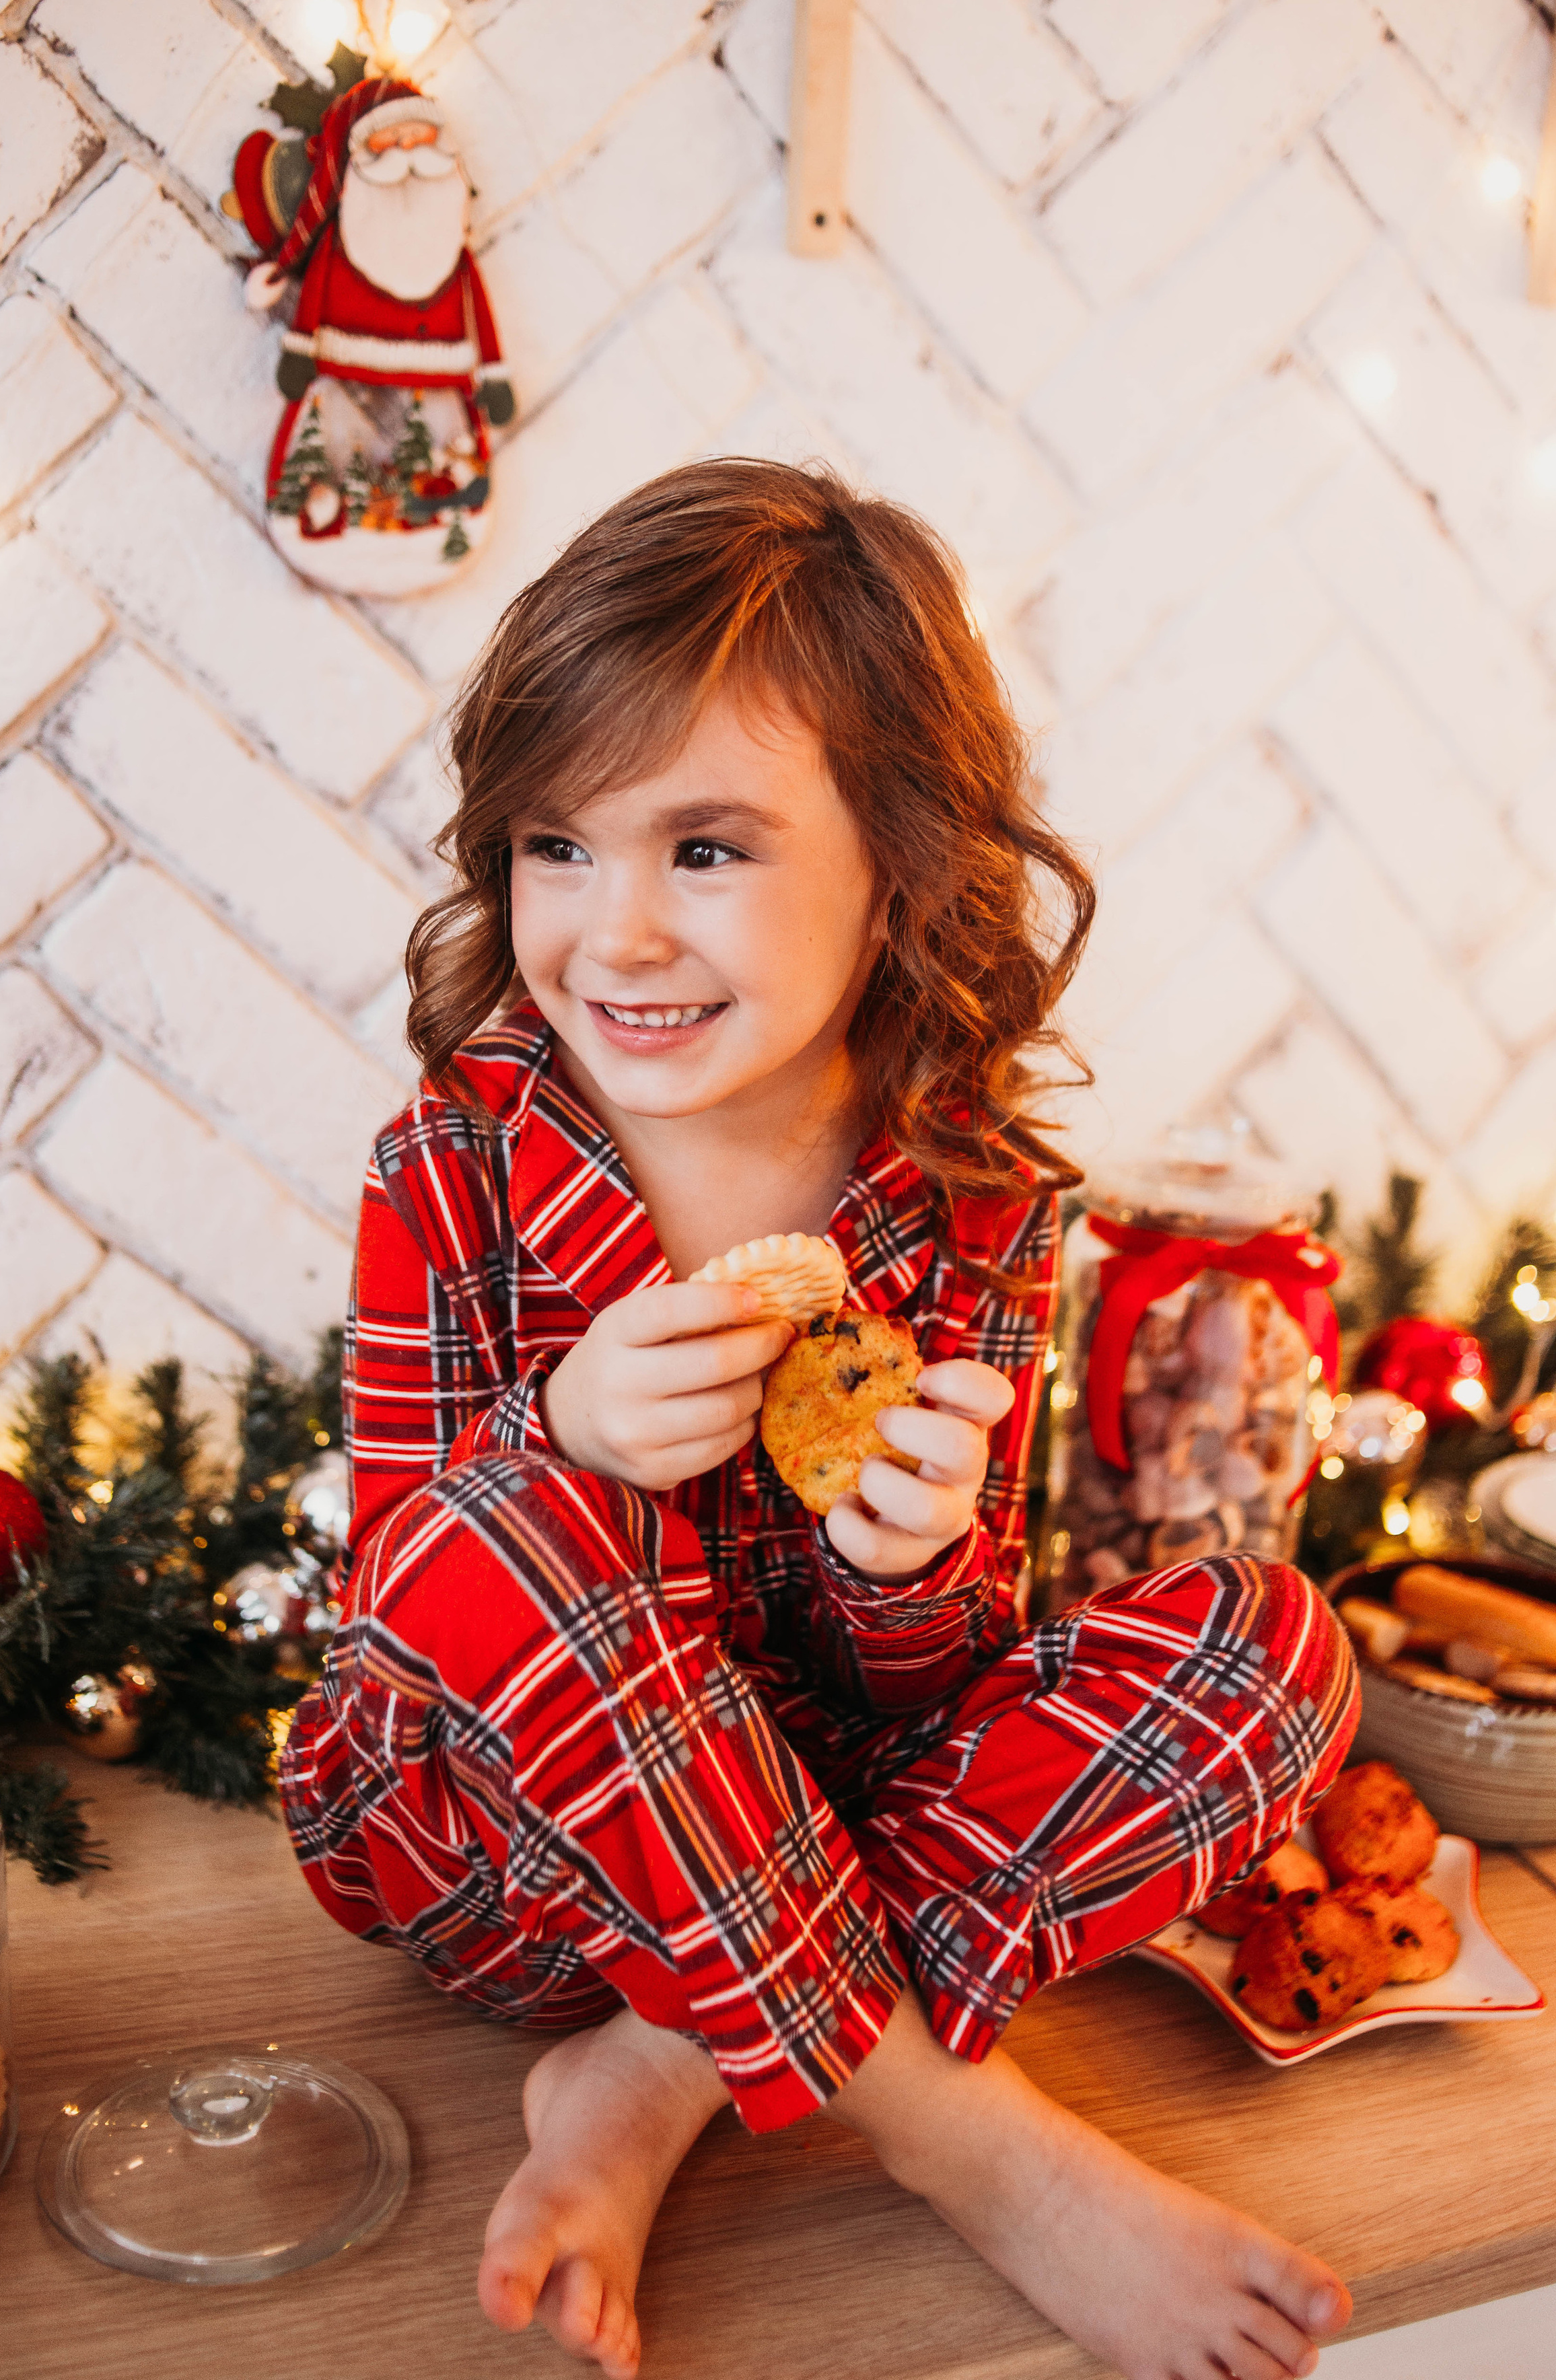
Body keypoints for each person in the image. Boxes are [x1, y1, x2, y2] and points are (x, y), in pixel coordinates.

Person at [279, 460, 1359, 2380]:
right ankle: (968, 2145)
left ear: (902, 866)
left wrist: (910, 1564)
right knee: (501, 1526)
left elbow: (933, 1700)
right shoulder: (447, 1168)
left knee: (1274, 1651)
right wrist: (570, 1441)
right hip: (506, 1869)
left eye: (705, 850)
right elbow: (401, 1610)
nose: (613, 933)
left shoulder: (979, 1198)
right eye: (557, 846)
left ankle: (670, 2072)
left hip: (830, 1829)